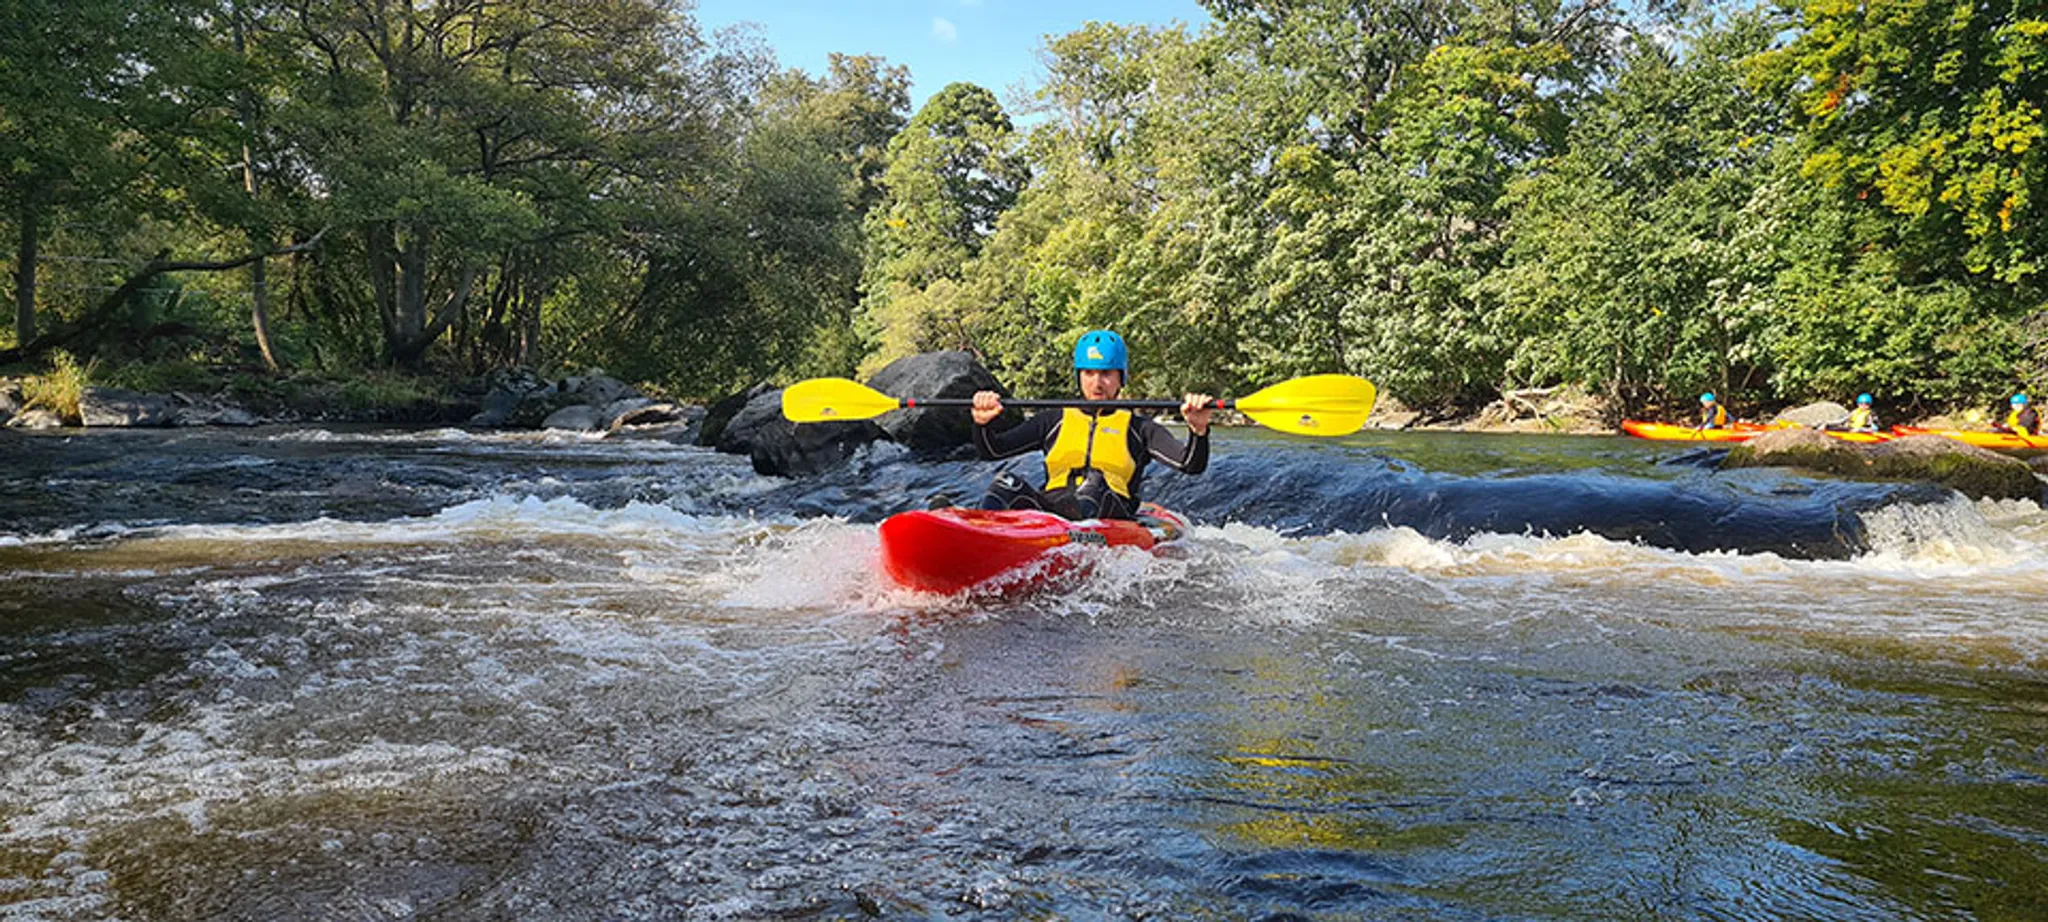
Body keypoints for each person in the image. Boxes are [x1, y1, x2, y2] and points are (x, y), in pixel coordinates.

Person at [970, 330, 1212, 520]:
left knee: (1093, 483)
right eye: (1088, 373)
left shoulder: (1140, 429)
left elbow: (1190, 464)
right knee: (1005, 482)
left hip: (1109, 510)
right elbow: (994, 451)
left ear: (1121, 378)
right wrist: (982, 424)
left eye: (1106, 373)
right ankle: (978, 537)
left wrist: (1198, 431)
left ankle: (1077, 543)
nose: (1097, 383)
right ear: (1079, 376)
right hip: (1053, 510)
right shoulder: (1053, 420)